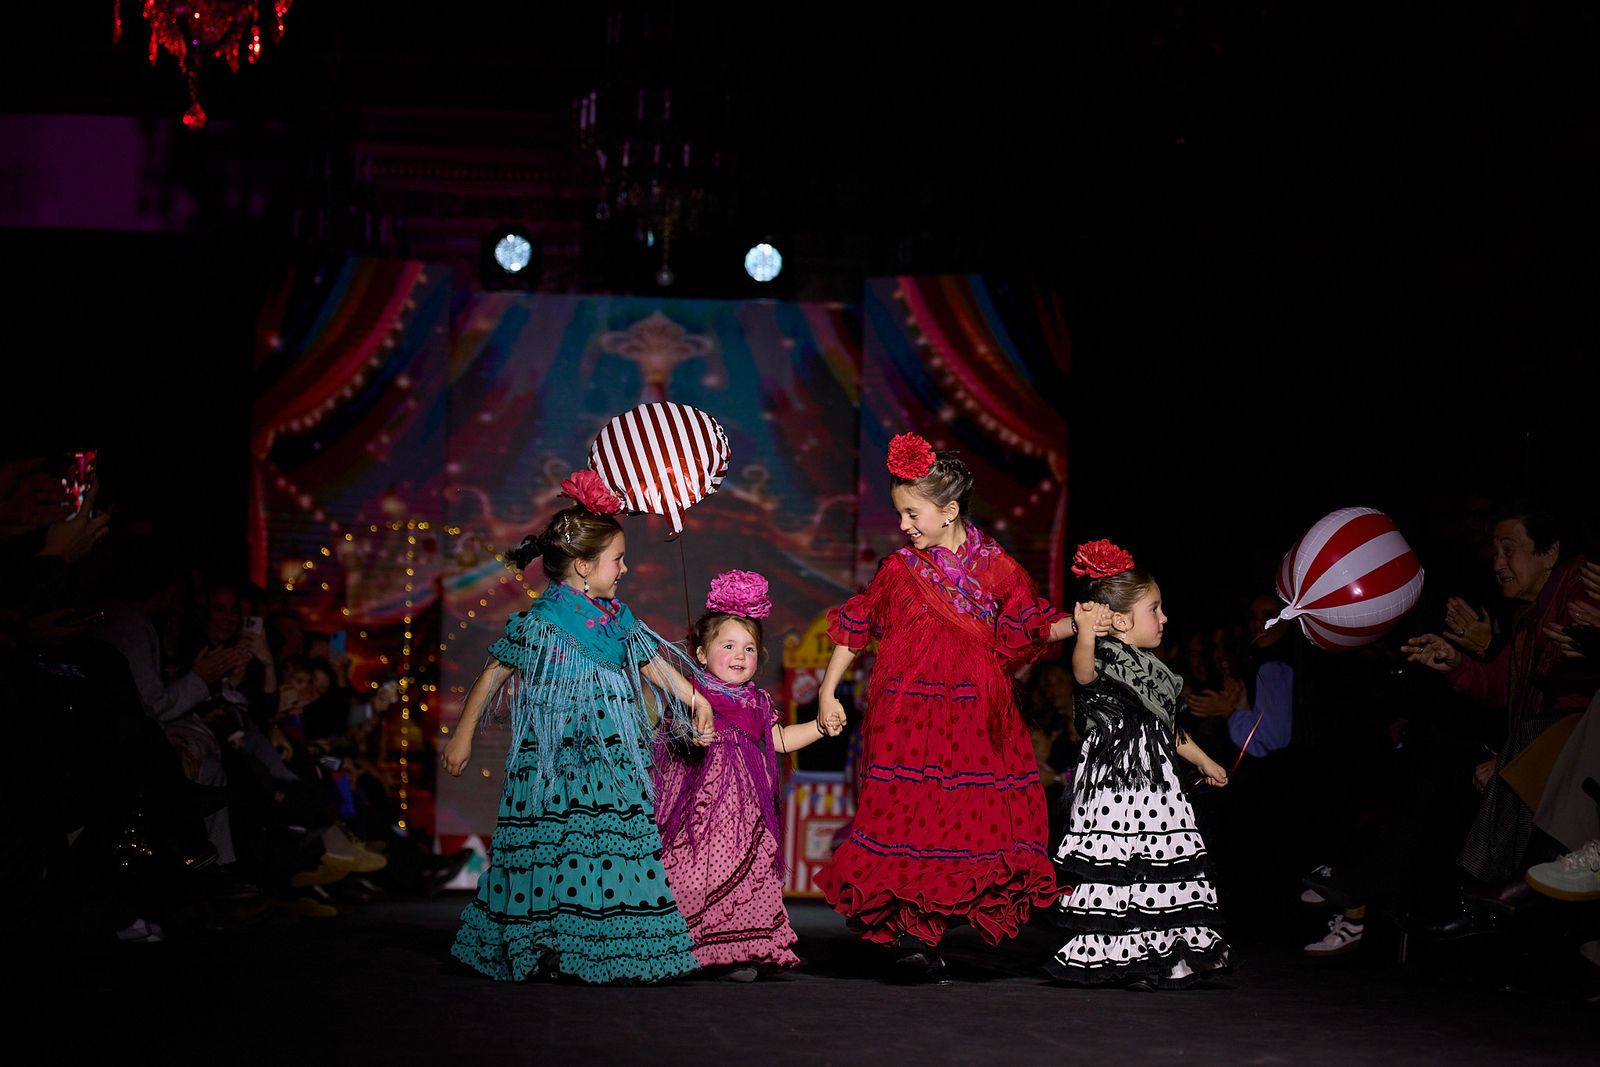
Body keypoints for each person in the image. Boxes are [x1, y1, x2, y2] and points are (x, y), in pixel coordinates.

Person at [815, 432, 1073, 982]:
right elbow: (855, 626)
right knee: (912, 822)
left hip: (976, 719)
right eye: (900, 513)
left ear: (949, 509)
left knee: (963, 824)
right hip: (908, 718)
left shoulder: (997, 568)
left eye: (913, 512)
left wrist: (1084, 623)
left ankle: (935, 922)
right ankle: (914, 935)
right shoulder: (898, 570)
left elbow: (1028, 629)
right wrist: (827, 689)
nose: (904, 524)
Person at [442, 471, 713, 984]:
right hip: (554, 761)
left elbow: (651, 660)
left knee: (602, 851)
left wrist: (696, 697)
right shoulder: (541, 621)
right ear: (584, 568)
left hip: (609, 758)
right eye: (618, 560)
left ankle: (602, 945)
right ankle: (544, 942)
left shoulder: (617, 618)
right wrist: (462, 733)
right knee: (552, 848)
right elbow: (494, 672)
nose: (626, 569)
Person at [1049, 539, 1231, 990]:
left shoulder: (1156, 672)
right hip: (1115, 783)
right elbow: (1083, 673)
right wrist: (1088, 631)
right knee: (1119, 874)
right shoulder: (1104, 659)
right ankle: (1126, 957)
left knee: (1159, 871)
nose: (1164, 618)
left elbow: (1169, 730)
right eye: (1155, 608)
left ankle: (1164, 954)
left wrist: (1205, 759)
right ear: (1124, 620)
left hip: (1158, 785)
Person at [1401, 504, 1595, 926]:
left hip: (1570, 743)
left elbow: (1571, 694)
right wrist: (1457, 662)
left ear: (1549, 553)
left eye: (1510, 550)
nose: (1498, 563)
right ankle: (1437, 898)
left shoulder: (1579, 593)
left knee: (1523, 742)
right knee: (1434, 751)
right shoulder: (1529, 617)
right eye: (1495, 553)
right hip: (1541, 738)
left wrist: (1509, 760)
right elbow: (1503, 684)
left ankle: (1488, 898)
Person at [652, 570, 842, 981]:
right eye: (728, 645)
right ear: (701, 653)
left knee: (744, 873)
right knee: (689, 871)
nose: (740, 655)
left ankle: (737, 947)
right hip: (697, 814)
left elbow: (779, 740)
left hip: (743, 817)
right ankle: (684, 945)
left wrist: (821, 728)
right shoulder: (692, 693)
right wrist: (692, 728)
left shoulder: (757, 701)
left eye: (750, 648)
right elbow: (669, 740)